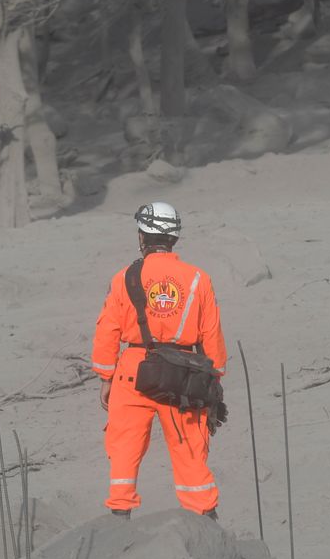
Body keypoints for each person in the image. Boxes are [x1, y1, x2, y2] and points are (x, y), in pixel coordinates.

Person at [89, 202, 228, 519]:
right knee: (190, 451)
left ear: (142, 236)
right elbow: (211, 333)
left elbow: (107, 330)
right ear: (174, 239)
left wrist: (105, 378)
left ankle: (120, 519)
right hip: (182, 376)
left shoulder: (124, 277)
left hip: (132, 372)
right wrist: (215, 379)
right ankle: (205, 521)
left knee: (124, 450)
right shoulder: (197, 279)